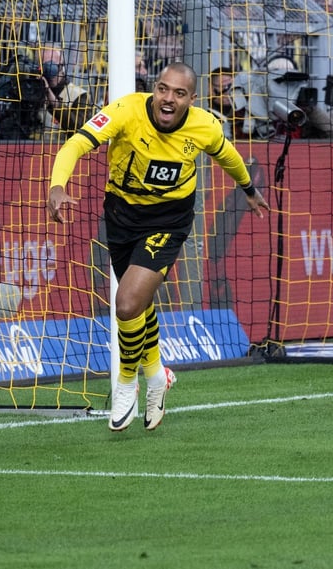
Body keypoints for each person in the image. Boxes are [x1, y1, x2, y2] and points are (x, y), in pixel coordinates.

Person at [46, 63, 270, 432]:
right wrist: (57, 186)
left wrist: (247, 189)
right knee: (140, 306)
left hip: (169, 220)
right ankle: (157, 377)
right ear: (155, 88)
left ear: (191, 100)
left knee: (127, 302)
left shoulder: (204, 126)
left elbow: (227, 155)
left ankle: (125, 383)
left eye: (179, 94)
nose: (168, 99)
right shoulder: (126, 110)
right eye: (163, 89)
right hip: (120, 216)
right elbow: (75, 144)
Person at [40, 49, 92, 134]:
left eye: (53, 67)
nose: (50, 73)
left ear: (62, 66)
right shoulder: (32, 92)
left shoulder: (78, 94)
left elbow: (80, 129)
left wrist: (52, 99)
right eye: (45, 68)